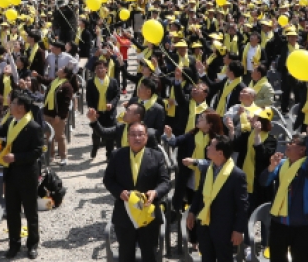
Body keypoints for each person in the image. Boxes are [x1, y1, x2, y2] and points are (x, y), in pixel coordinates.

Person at [0, 90, 43, 259]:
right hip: (11, 174)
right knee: (13, 211)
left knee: (30, 212)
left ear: (21, 107)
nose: (11, 106)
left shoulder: (33, 127)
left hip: (27, 174)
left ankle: (32, 243)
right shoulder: (11, 122)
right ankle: (14, 243)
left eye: (13, 103)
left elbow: (37, 151)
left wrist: (16, 157)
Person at [103, 121, 171, 262]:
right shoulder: (117, 155)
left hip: (148, 214)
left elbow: (165, 182)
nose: (137, 138)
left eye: (140, 134)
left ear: (146, 137)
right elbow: (108, 179)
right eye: (133, 134)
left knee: (149, 253)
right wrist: (119, 191)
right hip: (125, 213)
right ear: (128, 137)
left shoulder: (156, 156)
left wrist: (156, 192)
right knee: (126, 253)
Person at [260, 117, 308, 262]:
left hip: (300, 223)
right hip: (279, 222)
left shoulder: (307, 167)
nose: (288, 144)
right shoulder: (282, 164)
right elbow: (264, 182)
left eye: (293, 143)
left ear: (302, 149)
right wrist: (271, 167)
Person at [187, 135, 249, 262]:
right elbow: (199, 193)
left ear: (220, 153)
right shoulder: (207, 169)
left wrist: (238, 230)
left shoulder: (237, 175)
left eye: (211, 146)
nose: (207, 147)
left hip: (224, 229)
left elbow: (243, 206)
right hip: (205, 226)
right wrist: (192, 212)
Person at [86, 59, 121, 160]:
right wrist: (92, 110)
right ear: (95, 70)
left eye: (102, 68)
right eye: (97, 68)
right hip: (97, 113)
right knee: (96, 134)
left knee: (110, 135)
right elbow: (89, 98)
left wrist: (112, 104)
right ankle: (95, 147)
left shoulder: (113, 81)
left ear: (106, 69)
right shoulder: (91, 82)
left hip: (110, 113)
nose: (100, 70)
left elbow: (117, 95)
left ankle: (109, 154)